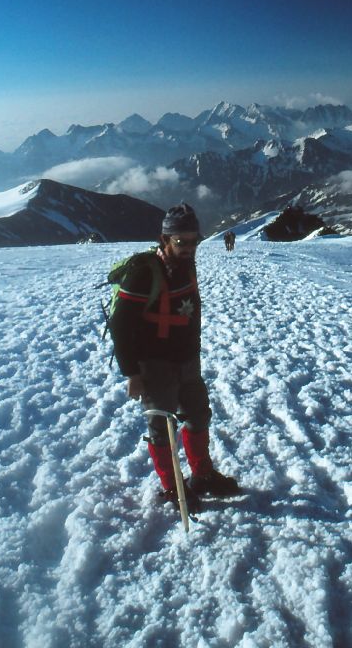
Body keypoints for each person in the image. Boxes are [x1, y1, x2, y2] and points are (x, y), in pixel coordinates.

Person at [109, 203, 239, 513]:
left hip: (187, 362)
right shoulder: (143, 274)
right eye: (182, 241)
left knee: (197, 417)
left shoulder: (186, 266)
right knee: (161, 426)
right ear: (164, 239)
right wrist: (132, 374)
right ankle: (172, 487)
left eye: (195, 240)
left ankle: (202, 476)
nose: (190, 247)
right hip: (154, 365)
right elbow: (120, 326)